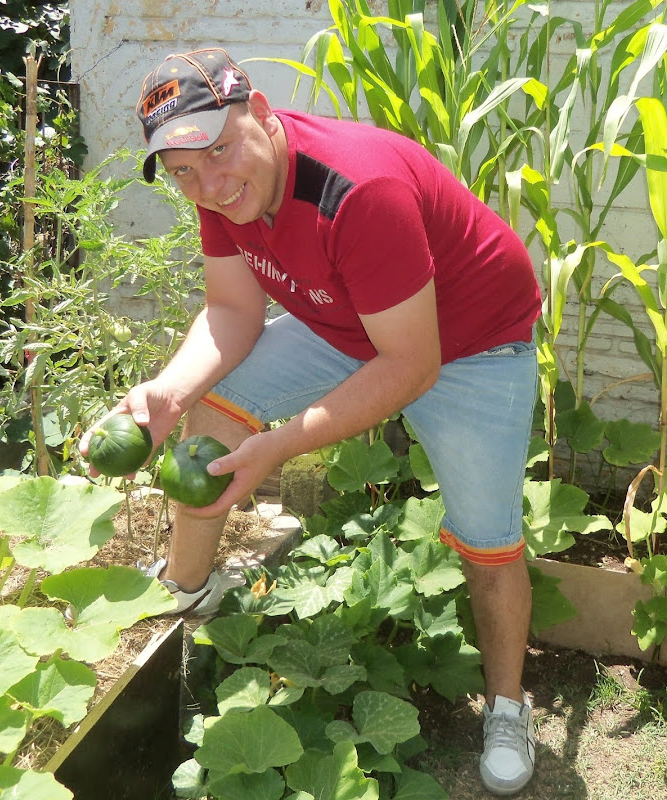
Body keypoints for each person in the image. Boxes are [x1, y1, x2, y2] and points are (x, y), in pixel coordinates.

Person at [80, 47, 540, 795]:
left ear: (261, 113)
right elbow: (233, 312)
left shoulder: (357, 191)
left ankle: (509, 707)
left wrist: (281, 447)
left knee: (488, 544)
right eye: (183, 170)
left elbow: (411, 365)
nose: (210, 183)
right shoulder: (218, 190)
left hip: (474, 344)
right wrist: (168, 392)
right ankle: (186, 589)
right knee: (215, 405)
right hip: (352, 321)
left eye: (219, 150)